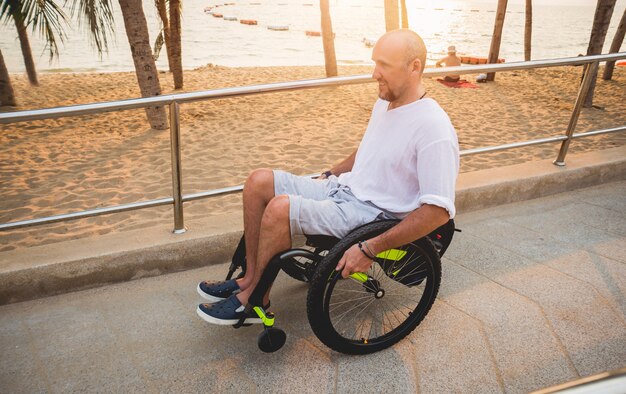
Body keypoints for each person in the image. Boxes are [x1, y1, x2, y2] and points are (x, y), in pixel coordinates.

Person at [196, 29, 460, 325]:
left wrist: (370, 248)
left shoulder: (433, 128)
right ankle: (250, 281)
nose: (375, 73)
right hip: (342, 190)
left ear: (414, 67)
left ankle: (255, 301)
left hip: (371, 213)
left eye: (384, 65)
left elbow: (438, 211)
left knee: (280, 208)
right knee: (258, 181)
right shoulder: (386, 102)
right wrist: (332, 172)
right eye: (375, 63)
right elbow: (369, 148)